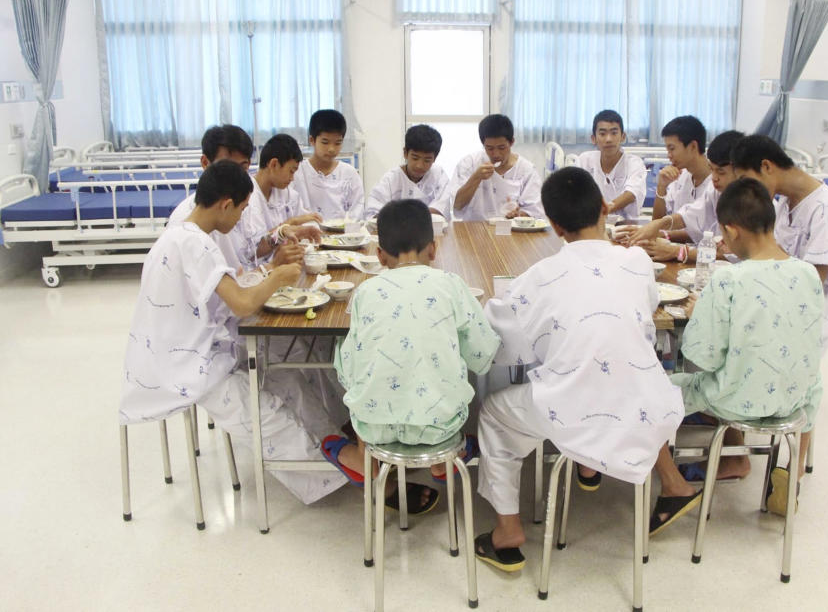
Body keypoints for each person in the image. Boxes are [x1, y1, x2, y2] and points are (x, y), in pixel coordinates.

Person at [473, 167, 682, 572]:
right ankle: (589, 466)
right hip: (643, 402)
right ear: (605, 207)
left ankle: (508, 530)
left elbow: (505, 347)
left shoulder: (539, 277)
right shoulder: (637, 261)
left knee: (495, 414)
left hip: (573, 411)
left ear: (553, 225)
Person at [120, 160, 346, 504]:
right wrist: (276, 277)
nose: (242, 218)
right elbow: (241, 304)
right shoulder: (195, 243)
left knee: (289, 378)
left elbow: (232, 291)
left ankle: (340, 445)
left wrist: (267, 274)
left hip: (203, 350)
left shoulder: (184, 236)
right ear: (226, 204)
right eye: (241, 210)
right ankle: (339, 476)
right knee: (269, 414)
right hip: (187, 367)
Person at [648, 178, 824, 533]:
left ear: (731, 230)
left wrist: (702, 315)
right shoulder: (808, 273)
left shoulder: (729, 280)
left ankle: (674, 486)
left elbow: (704, 357)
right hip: (795, 400)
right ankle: (792, 475)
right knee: (808, 379)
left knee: (645, 393)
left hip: (740, 400)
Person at [323, 199, 501, 513]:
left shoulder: (365, 291)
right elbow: (482, 355)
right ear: (433, 249)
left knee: (352, 357)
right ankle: (446, 458)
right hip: (440, 427)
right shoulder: (451, 285)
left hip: (374, 428)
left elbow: (348, 371)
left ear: (379, 255)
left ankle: (365, 458)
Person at [731, 134, 828, 352]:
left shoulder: (826, 209)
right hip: (775, 315)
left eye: (748, 181)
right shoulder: (784, 204)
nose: (749, 191)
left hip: (801, 327)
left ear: (767, 166)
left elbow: (811, 282)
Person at [619, 130, 745, 262]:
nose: (714, 178)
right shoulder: (710, 188)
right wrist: (656, 227)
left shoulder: (751, 202)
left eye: (721, 172)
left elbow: (737, 257)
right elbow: (689, 215)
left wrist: (677, 250)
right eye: (712, 170)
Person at [166, 124, 254, 270]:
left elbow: (248, 251)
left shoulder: (241, 202)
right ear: (205, 163)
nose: (237, 176)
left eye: (243, 168)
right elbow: (222, 286)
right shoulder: (184, 222)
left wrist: (278, 237)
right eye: (228, 167)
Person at [234, 134, 322, 274]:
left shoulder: (286, 193)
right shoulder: (246, 198)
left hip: (284, 266)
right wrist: (289, 225)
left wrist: (299, 230)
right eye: (291, 171)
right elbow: (252, 251)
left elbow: (303, 220)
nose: (292, 178)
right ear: (274, 164)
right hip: (258, 272)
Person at [450, 114, 544, 221]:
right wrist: (476, 177)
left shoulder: (526, 170)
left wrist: (519, 214)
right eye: (489, 148)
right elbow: (457, 205)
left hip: (511, 230)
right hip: (474, 229)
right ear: (483, 144)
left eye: (501, 147)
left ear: (512, 142)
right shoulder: (469, 163)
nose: (496, 154)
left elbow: (534, 211)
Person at [364, 124, 450, 221]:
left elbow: (441, 210)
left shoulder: (439, 175)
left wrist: (401, 214)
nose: (419, 165)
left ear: (435, 158)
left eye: (427, 160)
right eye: (415, 158)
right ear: (405, 153)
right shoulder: (390, 179)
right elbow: (373, 214)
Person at [292, 109, 365, 222]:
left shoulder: (350, 174)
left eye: (338, 143)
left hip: (343, 236)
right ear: (312, 140)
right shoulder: (297, 172)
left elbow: (357, 212)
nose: (331, 149)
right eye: (325, 142)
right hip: (307, 236)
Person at [574, 109, 646, 220]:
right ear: (593, 139)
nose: (608, 139)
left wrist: (605, 209)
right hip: (591, 224)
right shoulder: (584, 160)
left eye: (614, 133)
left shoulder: (634, 163)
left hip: (626, 226)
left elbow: (631, 194)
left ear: (623, 136)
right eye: (602, 134)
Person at [652, 116, 714, 228]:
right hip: (673, 243)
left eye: (672, 148)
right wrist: (661, 187)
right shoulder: (680, 177)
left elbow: (699, 233)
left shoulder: (716, 183)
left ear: (693, 146)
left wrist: (661, 234)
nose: (669, 155)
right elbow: (657, 222)